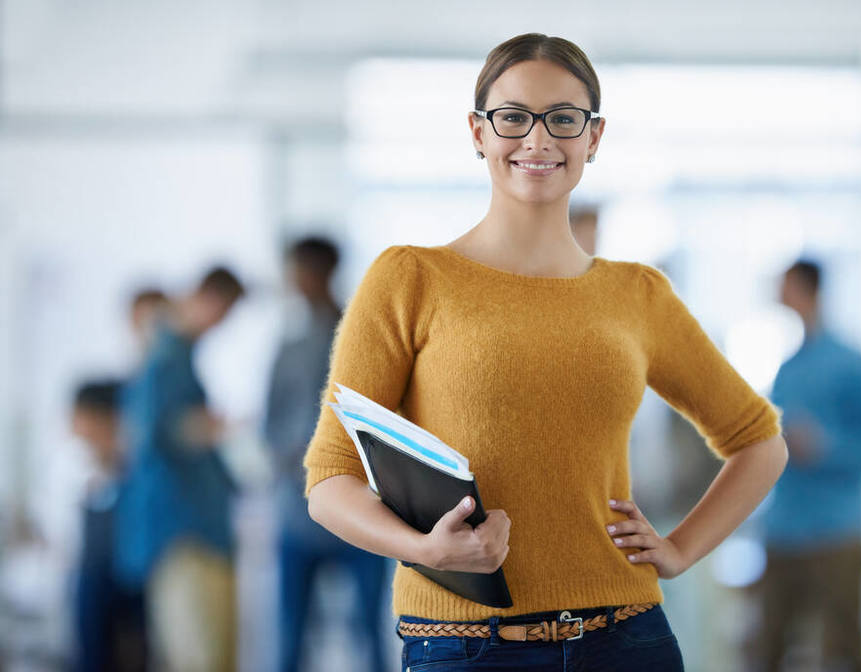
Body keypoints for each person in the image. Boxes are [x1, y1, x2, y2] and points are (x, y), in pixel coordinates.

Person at [304, 33, 788, 671]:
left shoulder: (637, 295)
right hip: (468, 648)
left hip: (627, 639)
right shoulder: (409, 279)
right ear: (479, 132)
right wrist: (426, 549)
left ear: (594, 137)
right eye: (513, 118)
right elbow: (329, 479)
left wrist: (679, 550)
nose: (538, 140)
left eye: (563, 119)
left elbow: (759, 442)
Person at [755, 260, 861, 672]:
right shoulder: (787, 368)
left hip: (836, 534)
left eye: (784, 285)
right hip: (783, 532)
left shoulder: (853, 363)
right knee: (767, 647)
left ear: (804, 288)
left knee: (848, 646)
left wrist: (824, 446)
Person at [264, 237, 389, 672]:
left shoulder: (364, 335)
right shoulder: (290, 346)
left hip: (360, 509)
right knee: (292, 632)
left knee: (368, 630)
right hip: (299, 511)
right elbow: (270, 425)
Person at [115, 266, 245, 672]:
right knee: (200, 655)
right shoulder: (165, 358)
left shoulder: (179, 358)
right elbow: (154, 437)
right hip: (185, 533)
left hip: (193, 527)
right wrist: (203, 429)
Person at [70, 379, 147, 672]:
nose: (75, 429)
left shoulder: (139, 469)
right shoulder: (82, 468)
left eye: (79, 418)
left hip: (128, 587)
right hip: (91, 581)